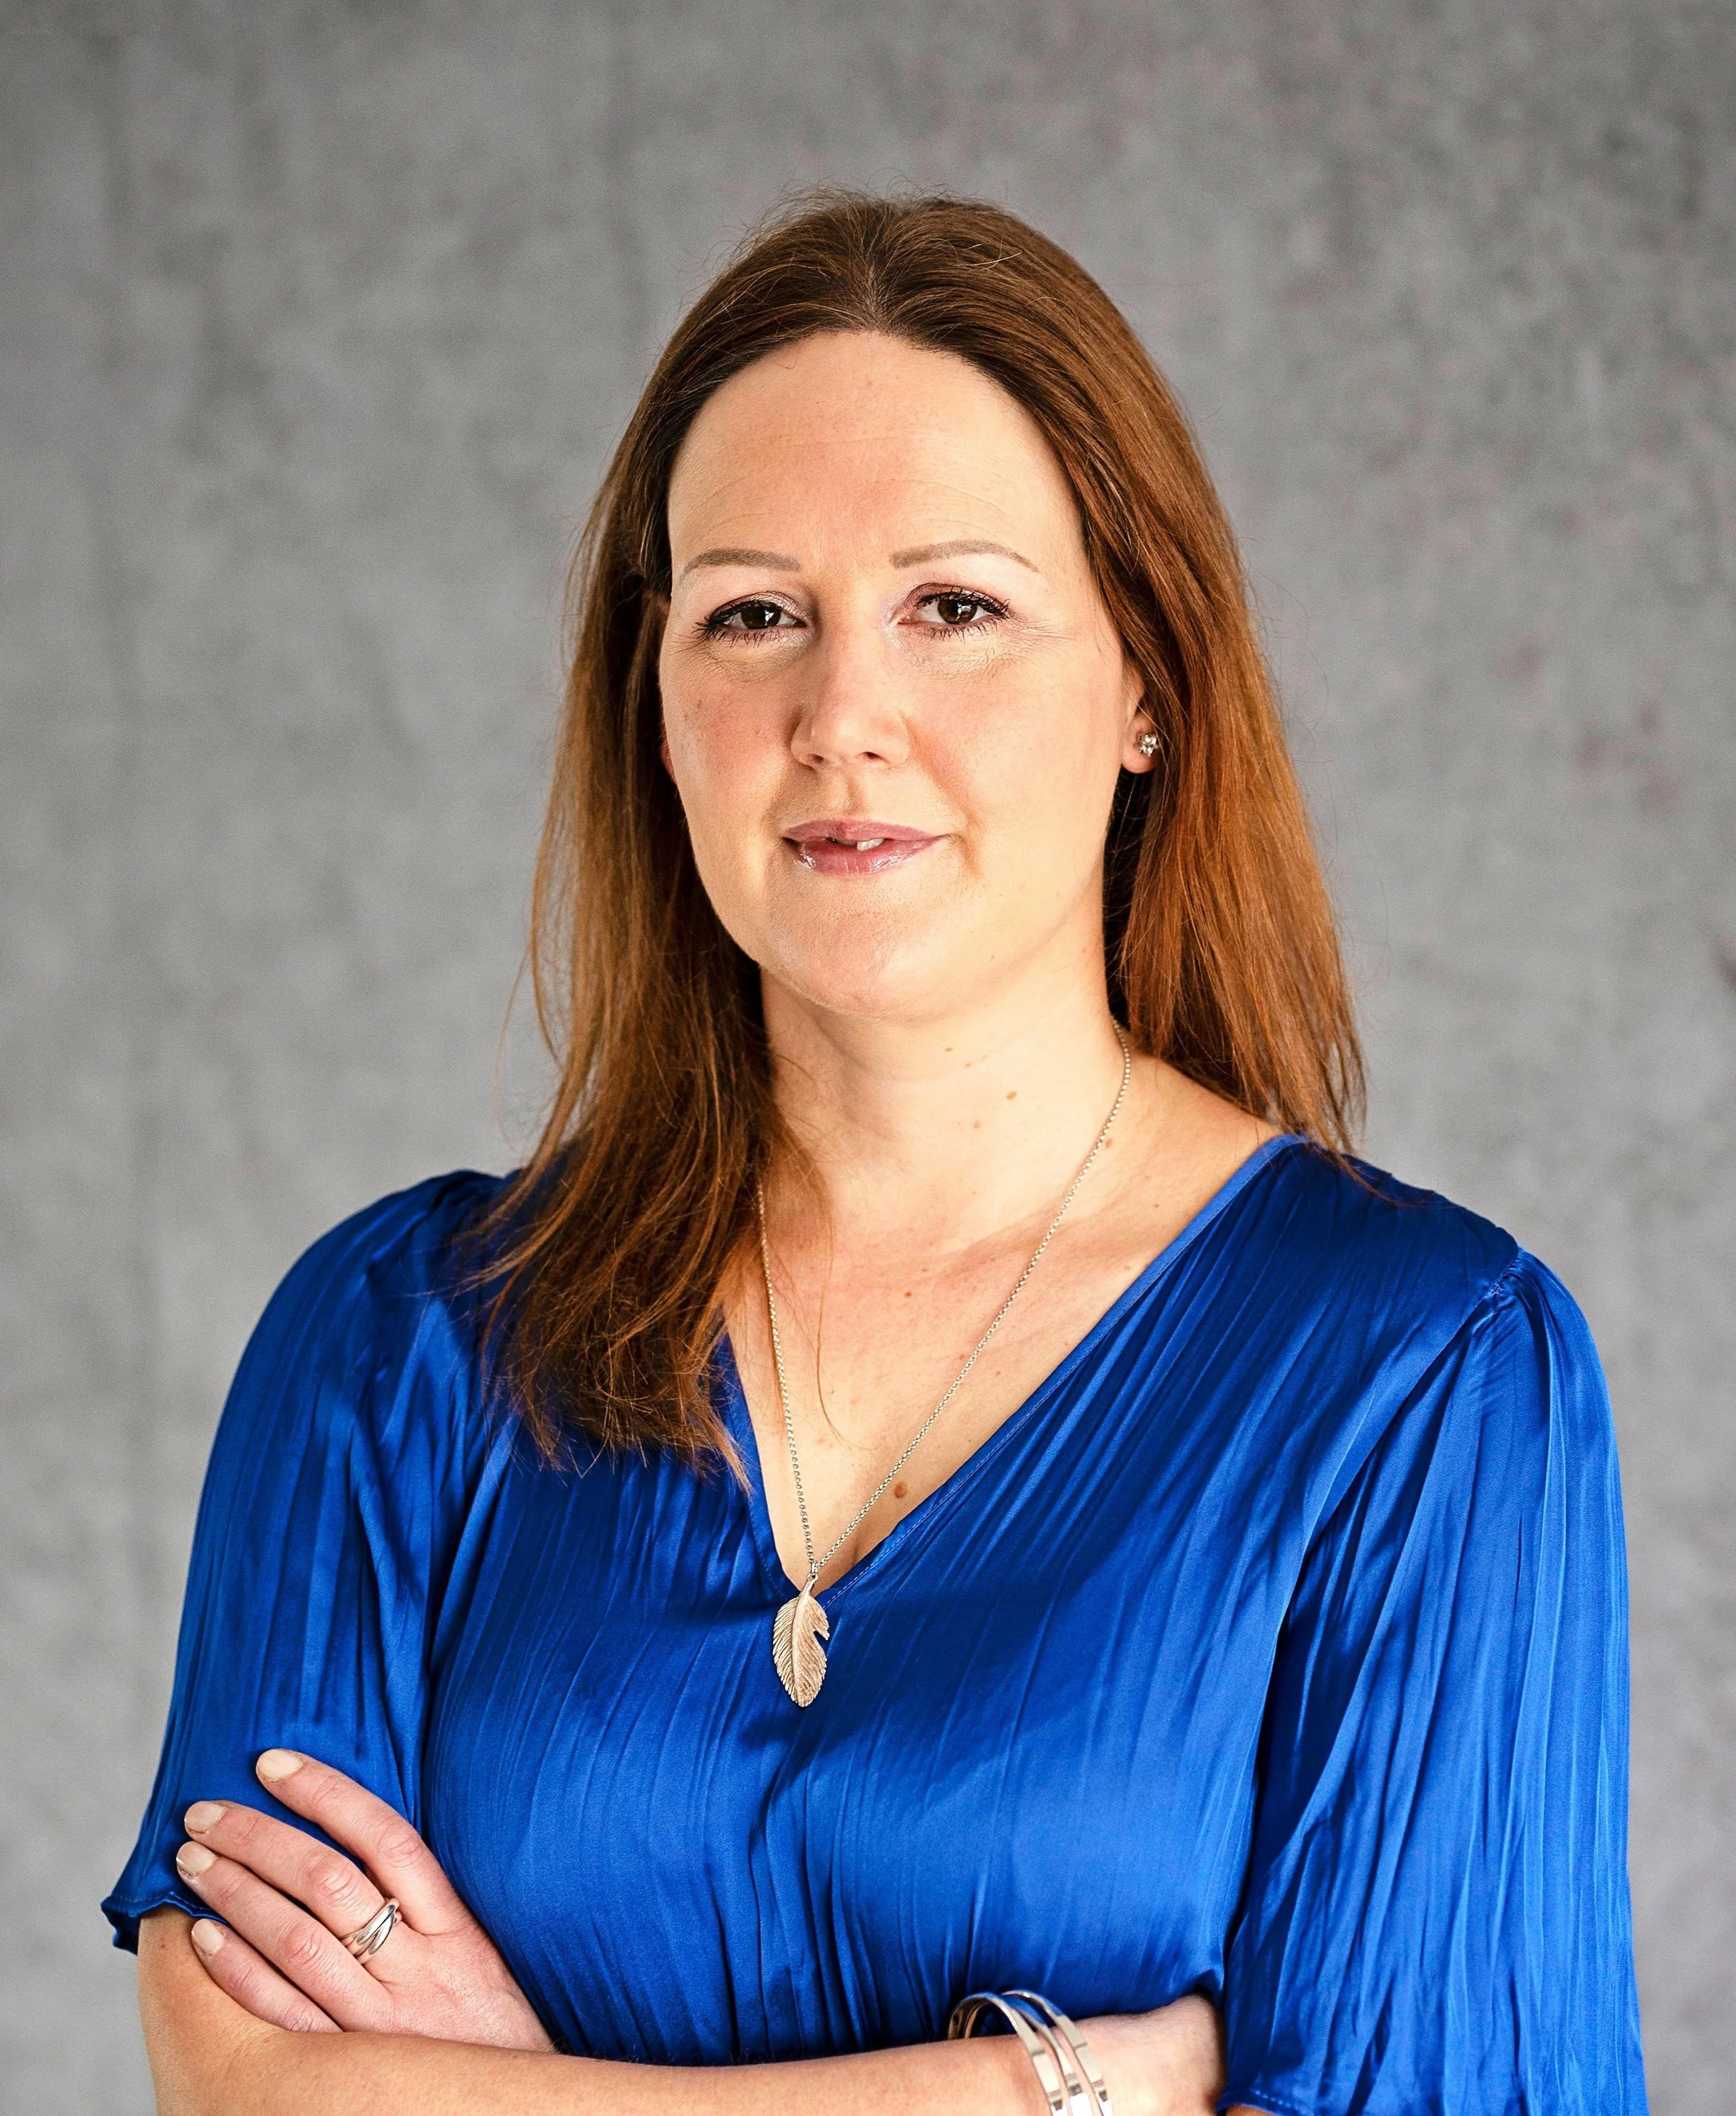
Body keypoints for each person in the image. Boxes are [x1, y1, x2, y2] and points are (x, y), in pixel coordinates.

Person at [105, 192, 1648, 2116]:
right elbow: (243, 2087)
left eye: (958, 609)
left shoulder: (1420, 1374)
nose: (845, 717)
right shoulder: (393, 1348)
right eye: (754, 614)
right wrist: (1052, 2092)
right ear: (654, 707)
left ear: (1148, 688)